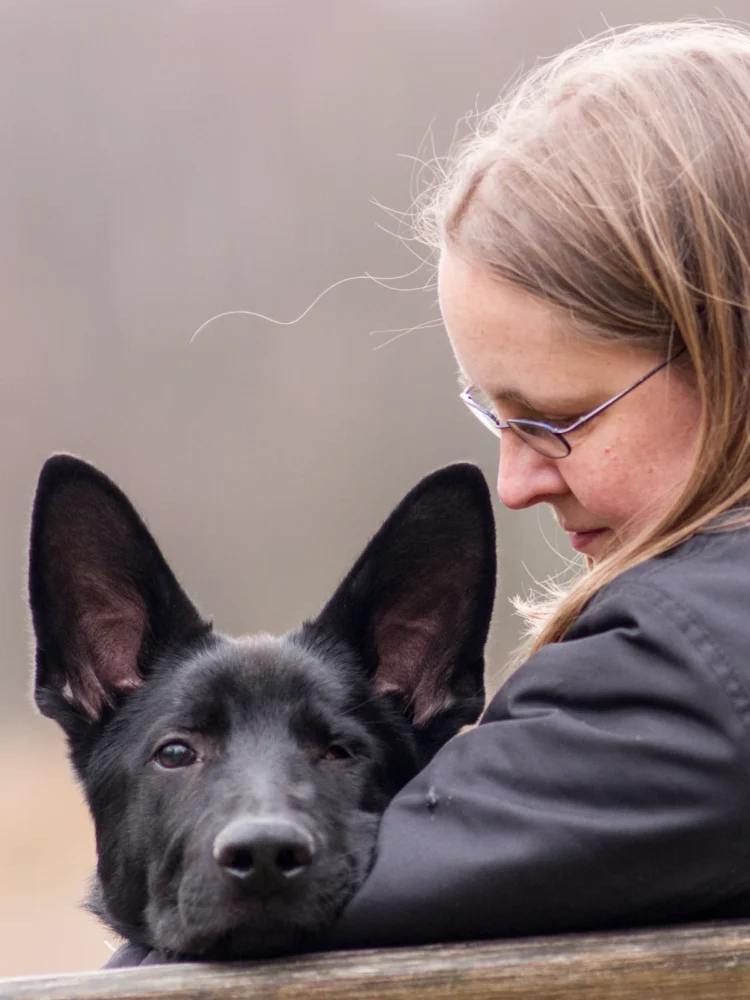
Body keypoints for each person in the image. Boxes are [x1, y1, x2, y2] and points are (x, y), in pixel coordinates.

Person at [107, 20, 750, 966]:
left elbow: (249, 911)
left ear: (729, 354)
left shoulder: (694, 668)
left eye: (558, 416)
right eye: (496, 418)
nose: (518, 481)